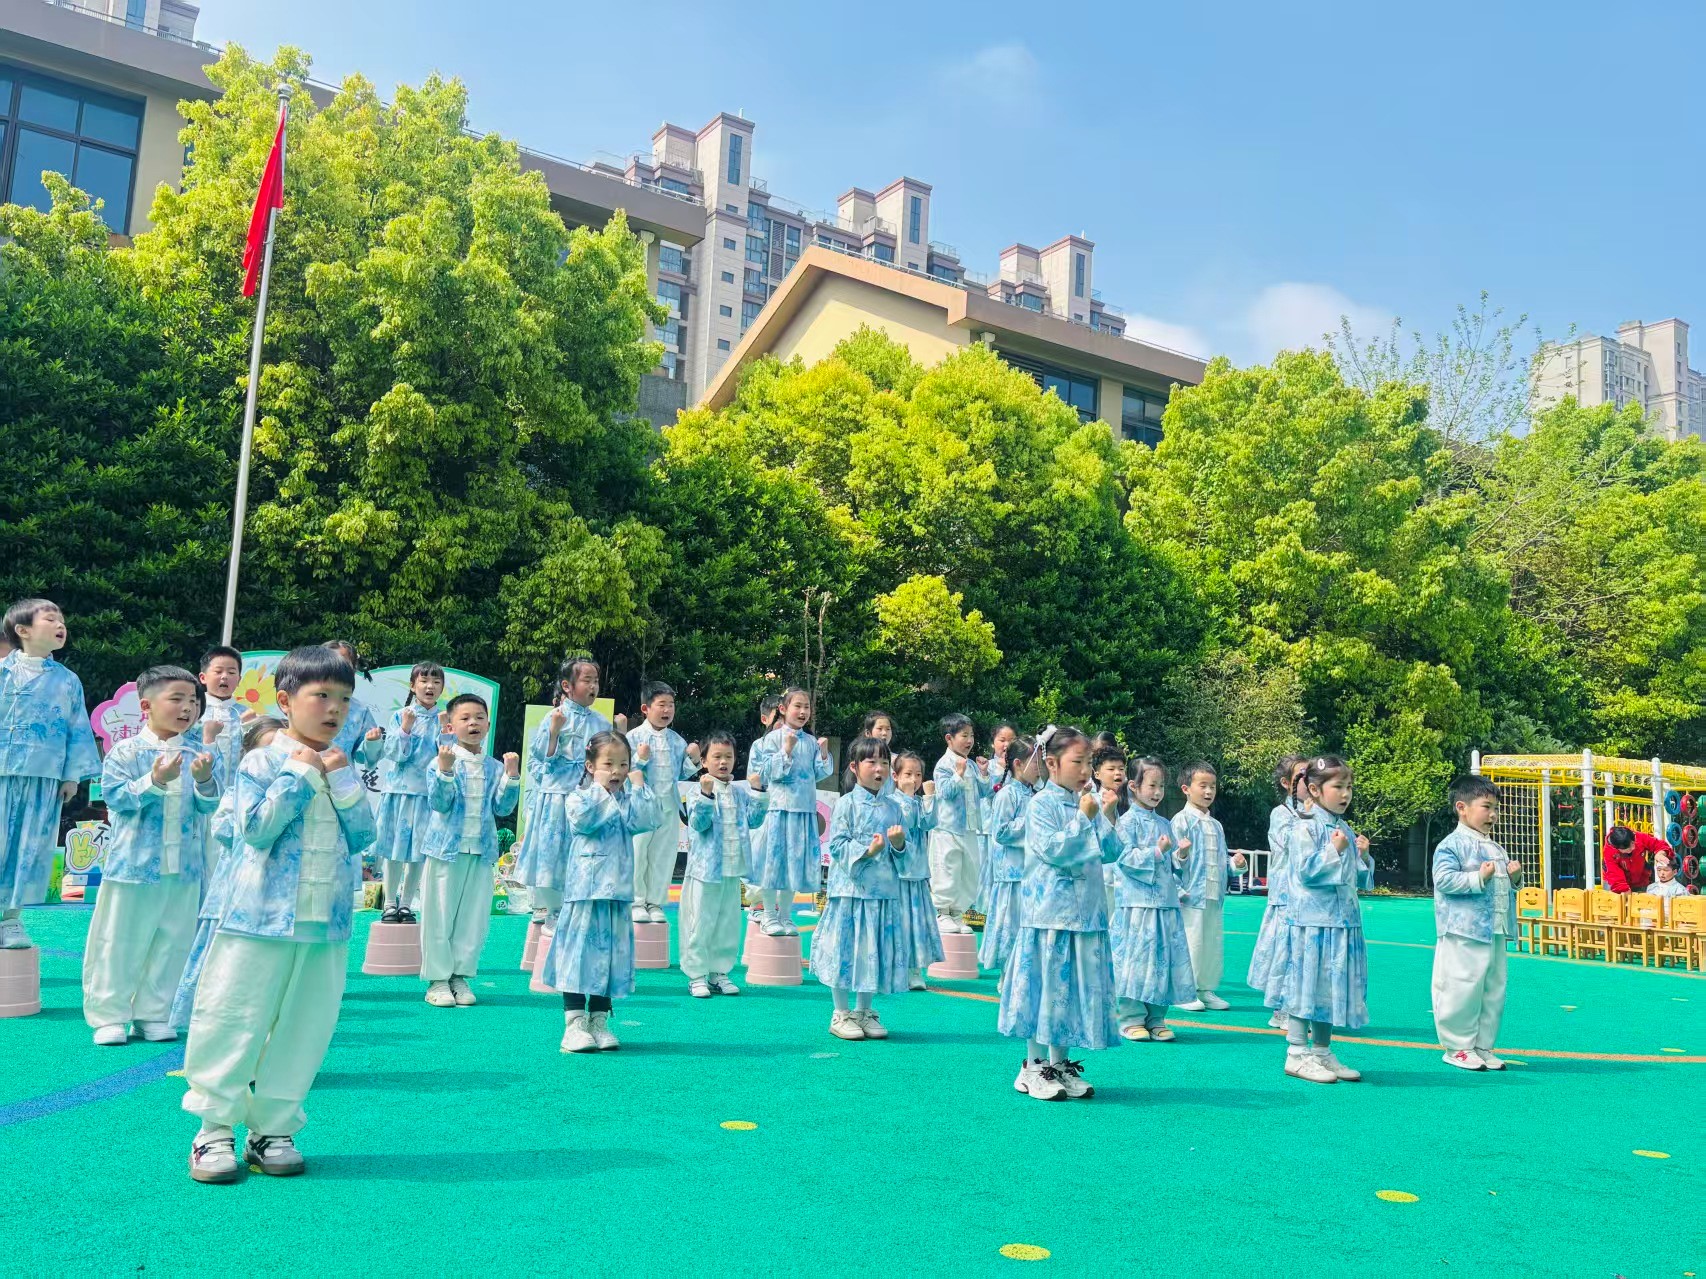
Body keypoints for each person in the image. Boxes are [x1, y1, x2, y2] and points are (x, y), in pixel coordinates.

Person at [179, 646, 377, 1184]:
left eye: (344, 699)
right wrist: (301, 774)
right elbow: (256, 829)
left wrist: (340, 780)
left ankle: (273, 1129)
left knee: (306, 1024)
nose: (334, 709)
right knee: (235, 1015)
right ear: (285, 702)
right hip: (258, 918)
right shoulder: (262, 760)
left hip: (325, 922)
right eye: (322, 696)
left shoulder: (343, 765)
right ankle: (214, 1130)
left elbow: (364, 835)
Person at [83, 666, 221, 1045]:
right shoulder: (126, 752)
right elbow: (116, 799)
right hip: (134, 867)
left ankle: (154, 1013)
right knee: (120, 941)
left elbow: (211, 807)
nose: (187, 708)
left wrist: (205, 780)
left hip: (184, 868)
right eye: (176, 699)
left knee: (173, 941)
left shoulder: (199, 753)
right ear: (146, 706)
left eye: (193, 700)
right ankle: (110, 1016)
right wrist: (156, 781)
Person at [998, 725, 1121, 1102]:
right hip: (1049, 916)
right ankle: (1033, 1066)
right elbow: (1053, 851)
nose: (1085, 770)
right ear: (1051, 764)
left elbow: (1112, 852)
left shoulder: (1086, 802)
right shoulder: (1041, 805)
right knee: (1046, 989)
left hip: (1085, 916)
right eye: (1077, 762)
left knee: (1068, 992)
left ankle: (1060, 1064)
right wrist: (1084, 819)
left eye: (1088, 763)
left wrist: (1105, 815)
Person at [545, 732, 661, 1053]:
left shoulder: (628, 800)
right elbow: (584, 822)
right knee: (578, 954)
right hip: (586, 891)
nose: (617, 771)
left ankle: (599, 1020)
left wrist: (640, 787)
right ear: (590, 766)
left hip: (617, 894)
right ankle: (574, 1023)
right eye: (608, 764)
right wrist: (604, 791)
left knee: (609, 957)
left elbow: (650, 820)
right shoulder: (578, 798)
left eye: (623, 764)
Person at [170, 716, 282, 1034]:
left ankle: (262, 1019)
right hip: (232, 891)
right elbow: (224, 830)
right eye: (264, 751)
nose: (271, 759)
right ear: (248, 754)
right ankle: (208, 1016)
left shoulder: (294, 791)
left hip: (272, 897)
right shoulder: (237, 791)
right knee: (220, 955)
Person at [0, 599, 101, 950]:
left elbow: (77, 728)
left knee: (27, 848)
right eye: (50, 619)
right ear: (23, 630)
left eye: (62, 620)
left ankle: (11, 919)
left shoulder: (67, 681)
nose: (61, 625)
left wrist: (72, 775)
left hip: (42, 778)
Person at [1266, 755, 1373, 1085]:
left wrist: (1364, 857)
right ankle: (1297, 1053)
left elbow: (1357, 877)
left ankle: (1322, 1052)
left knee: (1328, 987)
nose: (1345, 794)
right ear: (1314, 789)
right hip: (1312, 924)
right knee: (1306, 986)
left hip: (1341, 923)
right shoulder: (1305, 826)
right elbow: (1305, 871)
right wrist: (1334, 851)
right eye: (1338, 787)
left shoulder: (1343, 828)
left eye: (1349, 787)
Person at [420, 694, 520, 1008]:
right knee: (439, 915)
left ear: (488, 724)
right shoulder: (441, 761)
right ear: (451, 726)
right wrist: (445, 771)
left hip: (480, 851)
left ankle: (459, 976)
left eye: (479, 717)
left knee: (472, 918)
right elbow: (439, 804)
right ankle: (437, 980)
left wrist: (512, 776)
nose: (473, 723)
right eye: (465, 718)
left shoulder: (494, 766)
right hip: (445, 851)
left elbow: (502, 808)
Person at [814, 735, 908, 1041]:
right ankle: (840, 1012)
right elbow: (837, 845)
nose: (879, 768)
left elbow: (905, 855)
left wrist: (899, 845)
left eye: (884, 762)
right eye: (872, 762)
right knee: (845, 949)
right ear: (854, 767)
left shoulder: (894, 807)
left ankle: (864, 1011)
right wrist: (868, 852)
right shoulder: (846, 804)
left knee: (872, 951)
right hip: (851, 892)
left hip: (882, 893)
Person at [1431, 776, 1521, 1071]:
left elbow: (1505, 886)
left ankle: (1483, 1045)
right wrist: (1477, 878)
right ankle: (1458, 1046)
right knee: (1462, 985)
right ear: (1462, 807)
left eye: (1496, 808)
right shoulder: (1451, 845)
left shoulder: (1496, 847)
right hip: (1464, 930)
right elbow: (1443, 880)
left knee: (1493, 988)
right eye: (1486, 807)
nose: (1493, 815)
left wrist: (1516, 878)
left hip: (1495, 929)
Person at [514, 657, 612, 926]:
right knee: (552, 851)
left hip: (587, 798)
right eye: (587, 680)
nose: (593, 687)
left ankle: (578, 904)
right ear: (567, 686)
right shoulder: (554, 717)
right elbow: (540, 757)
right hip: (557, 797)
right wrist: (555, 732)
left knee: (583, 850)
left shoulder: (601, 722)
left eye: (596, 681)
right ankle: (552, 908)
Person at [1111, 758, 1195, 1042]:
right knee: (1135, 961)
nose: (1158, 792)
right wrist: (1157, 853)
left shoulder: (1164, 824)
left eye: (1161, 786)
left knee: (1162, 960)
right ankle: (1131, 1018)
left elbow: (1172, 866)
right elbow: (1123, 858)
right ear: (1133, 787)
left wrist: (1180, 855)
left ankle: (1157, 1017)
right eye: (1152, 785)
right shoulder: (1125, 822)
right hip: (1137, 905)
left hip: (1164, 904)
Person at [680, 731, 765, 998]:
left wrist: (758, 791)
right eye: (716, 757)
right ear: (704, 761)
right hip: (705, 871)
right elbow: (698, 824)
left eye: (728, 756)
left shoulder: (740, 792)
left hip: (732, 869)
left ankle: (719, 972)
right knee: (700, 922)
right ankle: (696, 975)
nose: (723, 762)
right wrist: (706, 795)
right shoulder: (696, 791)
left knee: (727, 923)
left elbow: (754, 821)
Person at [748, 688, 833, 937]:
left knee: (793, 865)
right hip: (777, 810)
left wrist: (824, 753)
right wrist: (785, 751)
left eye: (807, 707)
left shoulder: (811, 742)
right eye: (798, 706)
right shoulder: (771, 740)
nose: (803, 711)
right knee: (773, 864)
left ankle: (785, 915)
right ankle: (768, 914)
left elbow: (819, 774)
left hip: (803, 811)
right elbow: (763, 774)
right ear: (783, 709)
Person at [373, 661, 446, 922]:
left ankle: (406, 903)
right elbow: (394, 754)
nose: (430, 686)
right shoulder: (400, 715)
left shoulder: (444, 718)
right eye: (424, 681)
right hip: (400, 792)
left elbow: (448, 755)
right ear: (413, 686)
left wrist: (445, 730)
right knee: (394, 849)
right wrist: (405, 728)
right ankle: (389, 902)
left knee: (418, 852)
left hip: (428, 795)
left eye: (436, 682)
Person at [1171, 761, 1246, 1012]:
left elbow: (1222, 861)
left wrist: (1236, 865)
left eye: (1212, 786)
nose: (1208, 791)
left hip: (1214, 896)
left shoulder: (1216, 825)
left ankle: (1205, 989)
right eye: (1202, 785)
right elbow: (1171, 861)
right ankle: (1184, 991)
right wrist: (1179, 887)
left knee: (1211, 944)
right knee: (1191, 943)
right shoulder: (1181, 821)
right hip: (1190, 896)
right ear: (1186, 788)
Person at [625, 681, 701, 925]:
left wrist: (694, 759)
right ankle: (636, 902)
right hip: (640, 807)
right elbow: (623, 771)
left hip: (668, 806)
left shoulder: (677, 740)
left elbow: (682, 773)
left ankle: (655, 902)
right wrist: (640, 759)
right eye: (661, 704)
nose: (667, 710)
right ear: (646, 708)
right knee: (638, 854)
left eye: (671, 704)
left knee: (663, 856)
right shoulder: (632, 737)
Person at [1248, 754, 1309, 1030]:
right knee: (1285, 953)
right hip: (1286, 897)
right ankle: (1282, 1009)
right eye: (1302, 777)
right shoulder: (1281, 813)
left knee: (1304, 954)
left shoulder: (1319, 813)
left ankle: (1302, 1008)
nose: (1309, 782)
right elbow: (1289, 845)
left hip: (1309, 898)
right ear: (1287, 783)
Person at [978, 735, 1037, 975]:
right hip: (1011, 875)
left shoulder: (1035, 794)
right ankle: (1007, 973)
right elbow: (1000, 832)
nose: (1040, 768)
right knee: (1009, 927)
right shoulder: (1007, 794)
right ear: (1018, 764)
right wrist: (1031, 821)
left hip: (1031, 872)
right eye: (1035, 762)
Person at [930, 713, 992, 936]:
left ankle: (957, 914)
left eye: (971, 735)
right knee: (947, 870)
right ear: (949, 738)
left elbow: (985, 792)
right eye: (964, 735)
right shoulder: (943, 765)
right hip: (947, 829)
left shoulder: (972, 765)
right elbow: (945, 792)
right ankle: (942, 913)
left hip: (970, 828)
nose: (969, 740)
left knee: (969, 872)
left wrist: (983, 773)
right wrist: (958, 774)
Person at [890, 751, 941, 989]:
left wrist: (929, 798)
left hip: (918, 872)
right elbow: (907, 822)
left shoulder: (919, 801)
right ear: (896, 776)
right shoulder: (893, 802)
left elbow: (930, 823)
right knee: (898, 922)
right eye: (908, 774)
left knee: (917, 924)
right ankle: (895, 969)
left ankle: (914, 969)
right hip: (899, 873)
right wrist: (911, 797)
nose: (914, 779)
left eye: (918, 774)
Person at [320, 640, 384, 770]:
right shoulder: (304, 701)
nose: (336, 667)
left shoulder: (359, 710)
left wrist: (371, 743)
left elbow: (365, 757)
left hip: (342, 778)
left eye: (343, 663)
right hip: (304, 777)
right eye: (330, 660)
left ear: (353, 669)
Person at [194, 645, 247, 788]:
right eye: (218, 671)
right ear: (203, 677)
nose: (224, 676)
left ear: (239, 679)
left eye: (231, 672)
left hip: (237, 791)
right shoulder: (193, 712)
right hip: (198, 789)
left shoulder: (247, 714)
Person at [1601, 825, 1670, 894]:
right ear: (1618, 849)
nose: (1633, 847)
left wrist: (1661, 853)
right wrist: (1623, 889)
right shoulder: (1609, 852)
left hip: (1641, 879)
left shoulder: (1638, 836)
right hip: (1614, 882)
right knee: (1615, 899)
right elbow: (1614, 875)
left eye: (1633, 843)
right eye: (1629, 848)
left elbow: (1658, 844)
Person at [1650, 854, 1690, 919]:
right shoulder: (1651, 888)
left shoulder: (1680, 890)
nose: (1662, 873)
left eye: (1666, 870)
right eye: (1659, 870)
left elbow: (1685, 912)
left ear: (1675, 872)